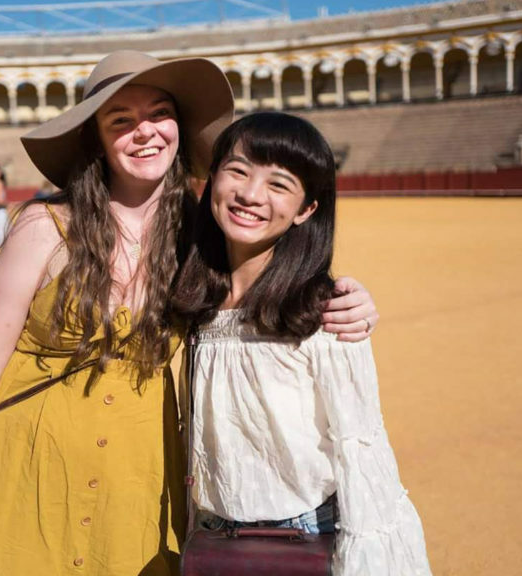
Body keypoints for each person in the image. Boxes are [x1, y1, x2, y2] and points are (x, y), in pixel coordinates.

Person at [0, 51, 378, 575]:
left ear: (179, 128)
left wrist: (351, 300)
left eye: (158, 114)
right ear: (96, 137)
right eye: (120, 120)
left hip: (140, 479)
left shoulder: (204, 233)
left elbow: (274, 275)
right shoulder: (43, 226)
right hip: (29, 470)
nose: (144, 132)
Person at [172, 112, 431, 574]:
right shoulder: (195, 299)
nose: (250, 194)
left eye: (279, 184)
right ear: (212, 180)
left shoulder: (325, 313)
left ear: (306, 209)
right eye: (237, 170)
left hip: (304, 535)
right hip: (214, 538)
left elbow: (360, 450)